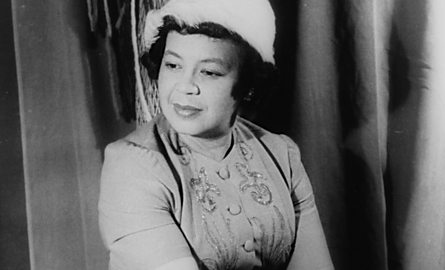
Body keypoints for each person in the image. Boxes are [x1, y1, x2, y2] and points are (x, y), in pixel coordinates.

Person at [98, 0, 334, 269]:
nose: (185, 87)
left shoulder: (282, 155)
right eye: (173, 65)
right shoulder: (132, 166)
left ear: (248, 85)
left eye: (209, 72)